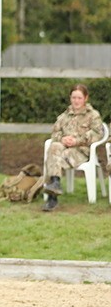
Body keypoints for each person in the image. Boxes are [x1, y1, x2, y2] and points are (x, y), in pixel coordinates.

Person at [41, 84, 103, 212]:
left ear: (86, 98)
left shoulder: (93, 115)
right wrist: (62, 139)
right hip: (64, 150)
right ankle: (55, 185)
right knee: (54, 147)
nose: (76, 101)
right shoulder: (64, 116)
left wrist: (77, 140)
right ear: (70, 98)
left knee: (53, 160)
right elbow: (55, 132)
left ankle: (52, 197)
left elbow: (98, 133)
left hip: (82, 152)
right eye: (74, 97)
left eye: (79, 98)